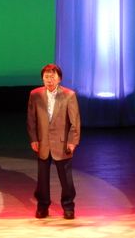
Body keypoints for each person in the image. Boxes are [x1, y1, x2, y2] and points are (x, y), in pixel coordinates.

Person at [27, 63, 81, 220]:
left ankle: (68, 207)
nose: (49, 80)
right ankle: (42, 206)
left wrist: (72, 142)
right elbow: (31, 120)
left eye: (52, 77)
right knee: (42, 179)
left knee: (66, 179)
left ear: (59, 79)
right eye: (46, 77)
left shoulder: (69, 95)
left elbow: (75, 121)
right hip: (43, 143)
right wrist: (33, 139)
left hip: (62, 143)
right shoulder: (35, 95)